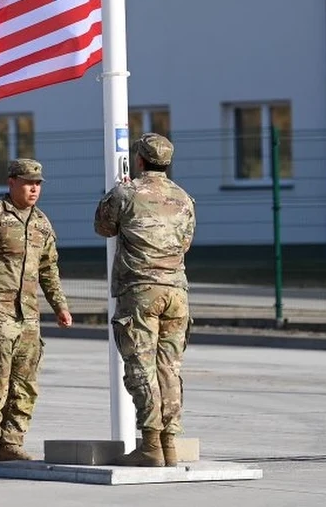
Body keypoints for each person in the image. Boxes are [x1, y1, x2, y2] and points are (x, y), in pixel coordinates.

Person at [94, 133, 196, 467]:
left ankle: (151, 444)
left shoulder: (126, 193)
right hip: (176, 291)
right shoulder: (184, 198)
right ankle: (170, 443)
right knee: (170, 368)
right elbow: (185, 243)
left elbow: (103, 227)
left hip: (140, 291)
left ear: (139, 160)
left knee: (141, 366)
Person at [0, 158, 73, 465]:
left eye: (37, 184)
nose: (33, 189)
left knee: (25, 383)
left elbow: (49, 270)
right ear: (11, 183)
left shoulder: (41, 223)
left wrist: (60, 306)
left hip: (29, 314)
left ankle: (12, 441)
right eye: (27, 183)